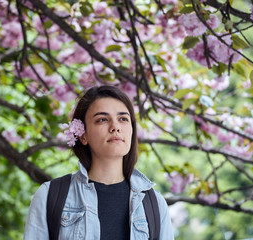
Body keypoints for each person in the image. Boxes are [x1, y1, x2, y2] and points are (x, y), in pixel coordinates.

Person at [24, 85, 174, 240]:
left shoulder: (154, 204)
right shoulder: (49, 196)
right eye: (102, 119)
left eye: (123, 119)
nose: (115, 127)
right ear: (83, 135)